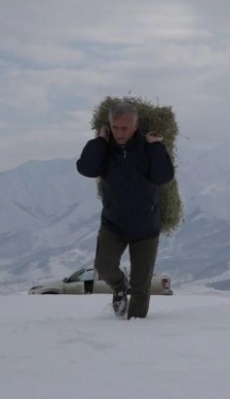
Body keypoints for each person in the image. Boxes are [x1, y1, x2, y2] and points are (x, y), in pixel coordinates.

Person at [76, 102, 174, 319]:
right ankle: (120, 287)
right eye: (115, 127)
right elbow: (86, 168)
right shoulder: (105, 149)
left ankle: (136, 332)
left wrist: (156, 146)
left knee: (141, 287)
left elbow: (163, 177)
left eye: (124, 128)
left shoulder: (147, 148)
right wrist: (100, 141)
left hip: (146, 228)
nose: (119, 133)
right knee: (103, 267)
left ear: (136, 125)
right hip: (114, 224)